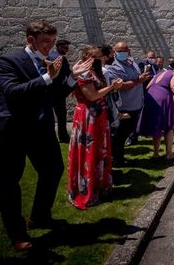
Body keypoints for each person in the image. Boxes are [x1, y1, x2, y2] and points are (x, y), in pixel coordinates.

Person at [0, 20, 90, 251]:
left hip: (40, 129)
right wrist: (46, 77)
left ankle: (40, 216)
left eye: (53, 42)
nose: (49, 46)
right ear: (31, 40)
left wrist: (72, 76)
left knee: (53, 169)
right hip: (10, 130)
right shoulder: (8, 60)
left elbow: (57, 95)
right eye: (46, 42)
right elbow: (13, 92)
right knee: (9, 184)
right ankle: (17, 234)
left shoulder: (55, 62)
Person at [67, 46, 123, 209]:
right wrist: (112, 87)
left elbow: (100, 92)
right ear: (88, 58)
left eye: (100, 57)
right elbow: (91, 95)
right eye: (97, 57)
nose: (101, 59)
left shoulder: (95, 72)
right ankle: (86, 189)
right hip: (88, 116)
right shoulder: (84, 74)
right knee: (89, 152)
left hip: (99, 115)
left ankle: (100, 185)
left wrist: (114, 87)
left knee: (100, 150)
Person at [107, 41, 150, 167]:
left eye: (124, 50)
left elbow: (137, 77)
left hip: (136, 104)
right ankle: (116, 159)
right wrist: (139, 80)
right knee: (120, 135)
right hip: (124, 106)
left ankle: (120, 157)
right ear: (114, 52)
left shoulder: (131, 63)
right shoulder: (113, 67)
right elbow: (121, 86)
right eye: (119, 51)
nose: (122, 53)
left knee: (126, 132)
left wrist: (141, 78)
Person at [137, 65, 174, 159]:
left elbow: (148, 86)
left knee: (157, 126)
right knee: (169, 127)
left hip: (150, 97)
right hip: (163, 98)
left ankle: (155, 153)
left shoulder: (160, 73)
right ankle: (169, 154)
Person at [48, 39, 72, 142]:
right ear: (59, 47)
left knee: (49, 116)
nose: (67, 50)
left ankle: (50, 136)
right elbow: (68, 73)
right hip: (58, 91)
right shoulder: (61, 58)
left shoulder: (49, 56)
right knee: (61, 116)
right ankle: (63, 137)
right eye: (65, 48)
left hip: (48, 90)